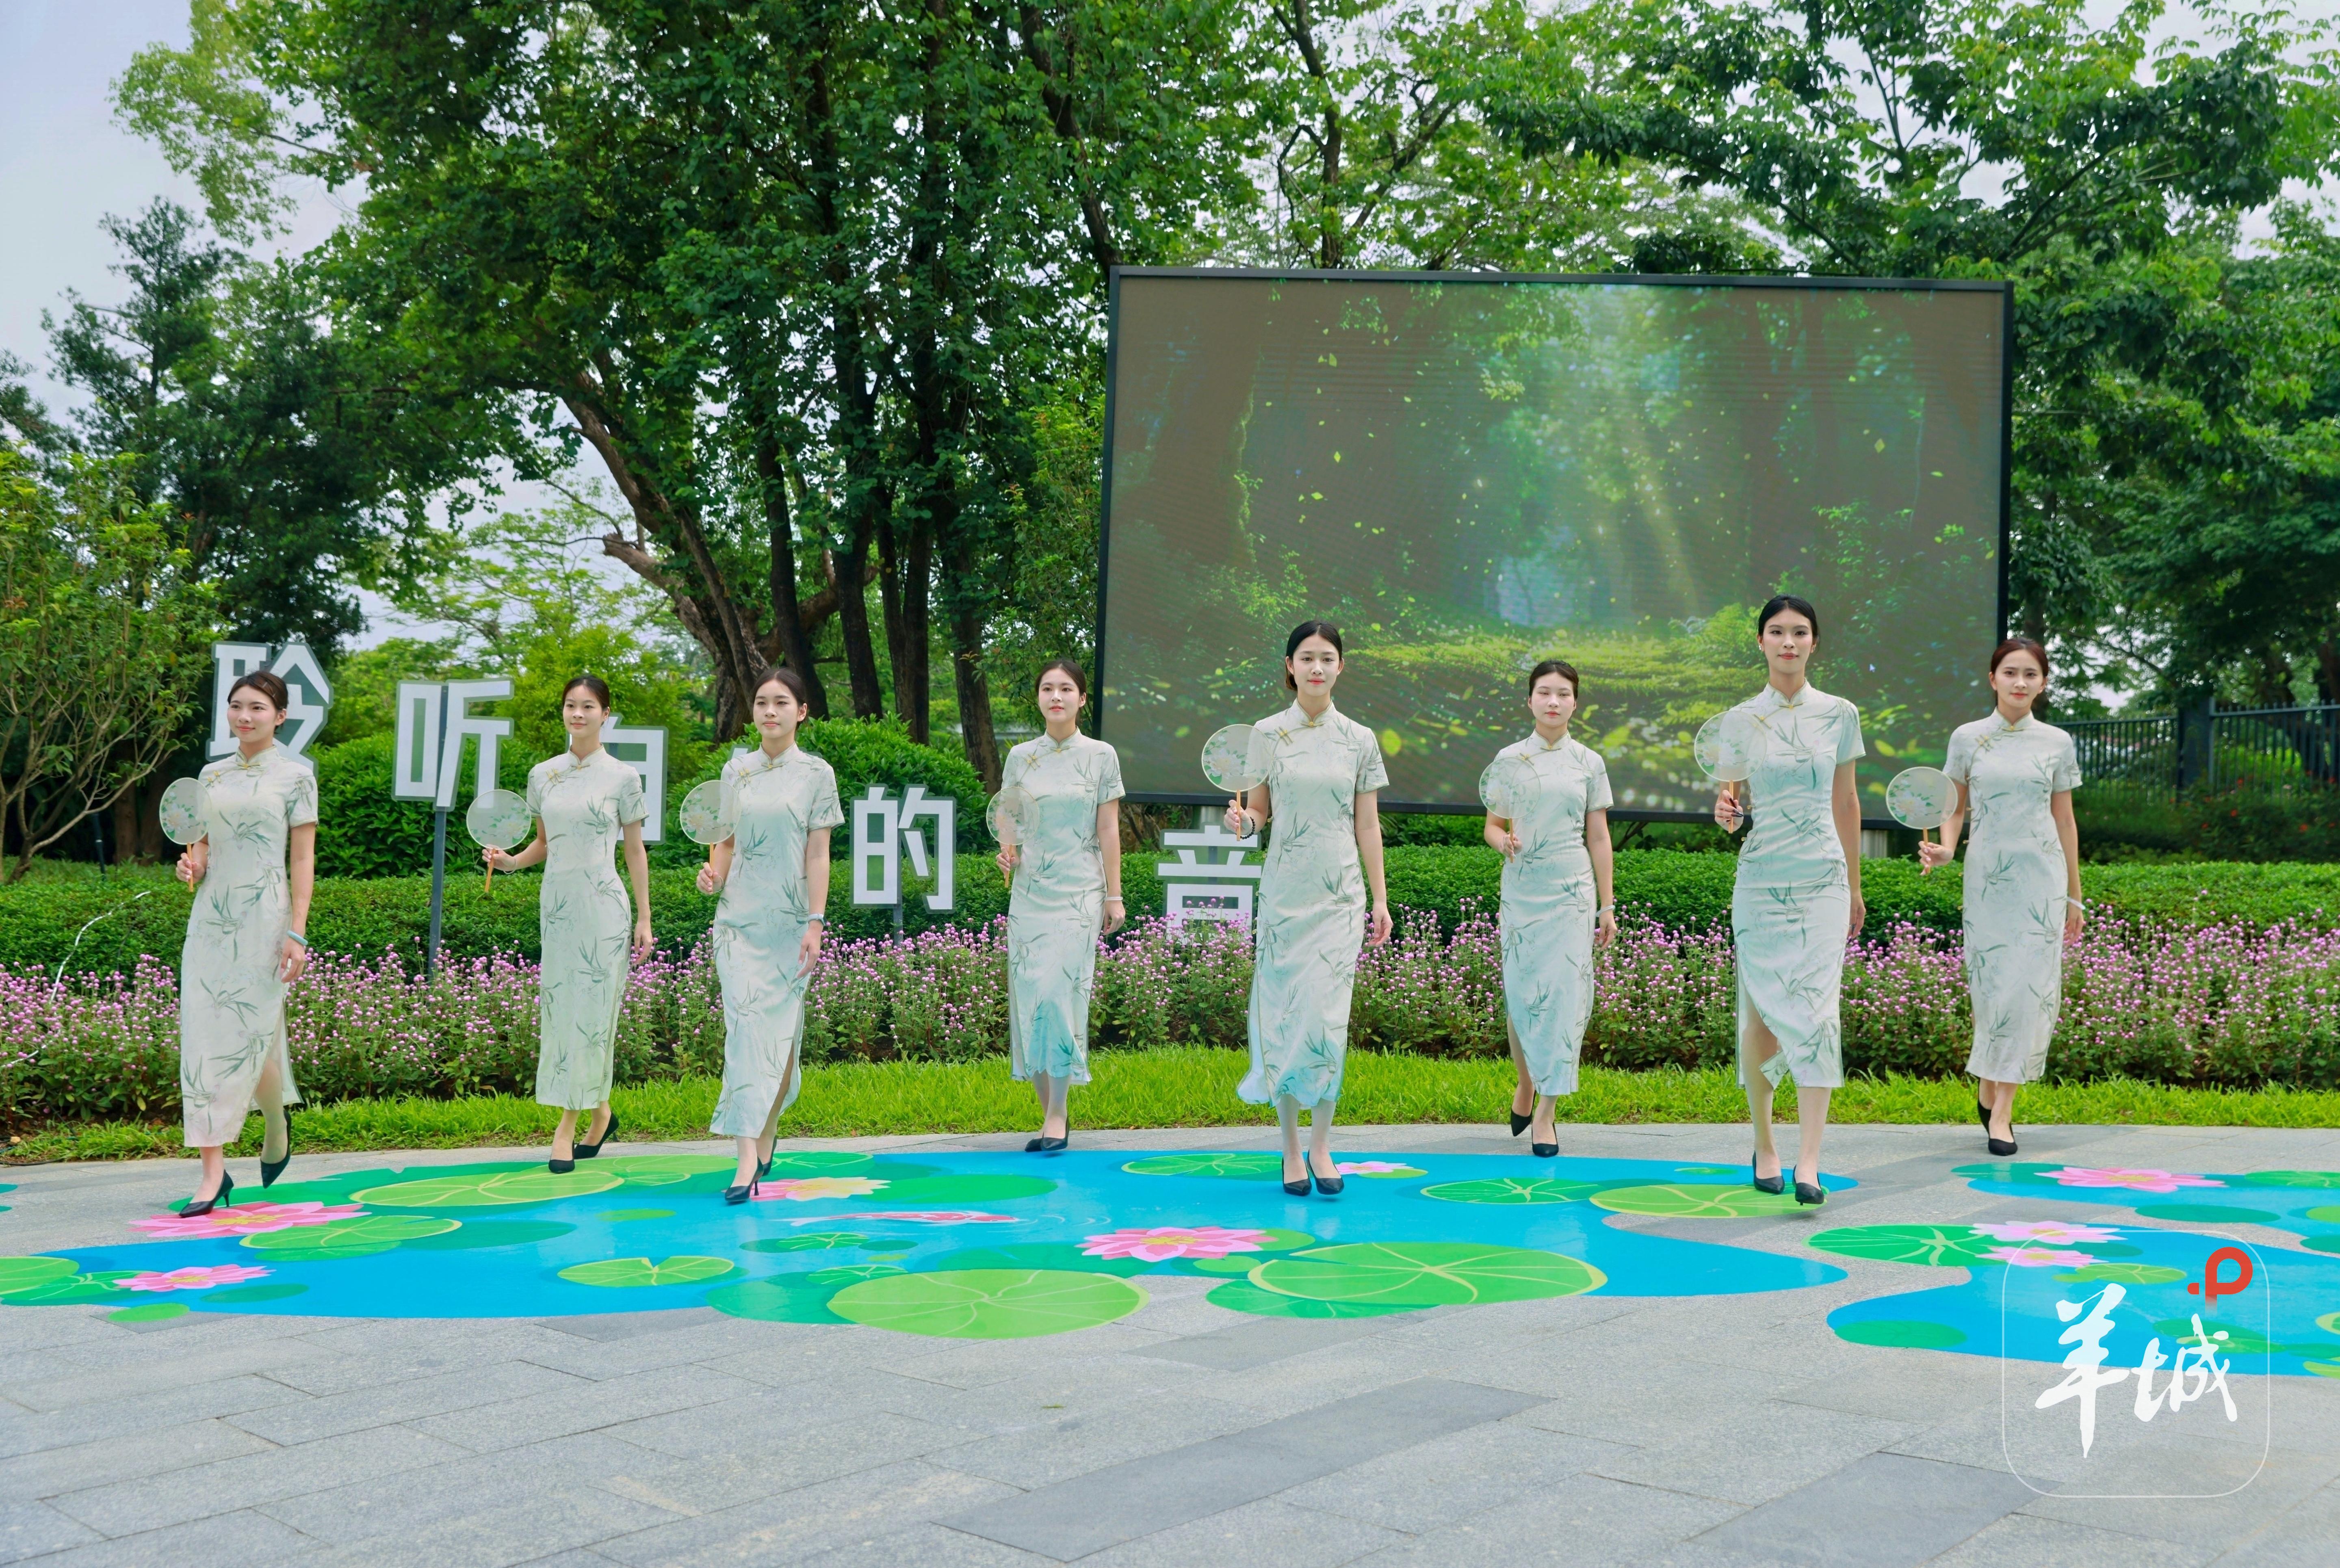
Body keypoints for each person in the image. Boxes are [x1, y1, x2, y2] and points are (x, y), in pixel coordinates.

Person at [1224, 621, 1393, 1196]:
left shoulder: (1360, 738)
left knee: (1326, 1020)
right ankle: (1291, 1147)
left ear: (1341, 666)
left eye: (1327, 658)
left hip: (1340, 897)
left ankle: (1322, 1145)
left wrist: (1379, 898)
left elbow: (1367, 824)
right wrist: (1243, 823)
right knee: (1287, 1017)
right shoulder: (1266, 734)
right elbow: (1260, 812)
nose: (1316, 668)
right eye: (1306, 658)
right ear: (1290, 666)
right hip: (1285, 896)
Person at [1713, 595, 1864, 1206]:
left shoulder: (1841, 713)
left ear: (1814, 642)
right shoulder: (1739, 720)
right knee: (1760, 1020)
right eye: (1777, 632)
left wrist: (1855, 885)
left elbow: (1847, 801)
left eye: (1800, 632)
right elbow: (1730, 805)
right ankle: (1764, 1143)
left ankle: (1810, 1162)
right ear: (1761, 642)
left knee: (1818, 1015)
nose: (1788, 642)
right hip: (1761, 878)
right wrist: (1726, 813)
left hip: (1823, 878)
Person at [1919, 637, 2083, 1157]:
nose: (2020, 681)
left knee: (2029, 992)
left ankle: (2003, 1112)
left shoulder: (2057, 742)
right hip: (1988, 880)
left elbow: (2065, 819)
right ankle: (1989, 1080)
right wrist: (1947, 849)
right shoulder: (1968, 737)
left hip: (2042, 882)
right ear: (1993, 678)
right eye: (2010, 672)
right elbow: (1954, 805)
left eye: (2031, 674)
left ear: (2043, 683)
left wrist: (2074, 895)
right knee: (1992, 991)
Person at [484, 676, 652, 1173]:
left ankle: (566, 1126)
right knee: (563, 1015)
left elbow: (635, 849)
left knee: (594, 1016)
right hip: (557, 907)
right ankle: (602, 1114)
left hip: (604, 908)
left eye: (589, 706)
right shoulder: (543, 775)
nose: (578, 713)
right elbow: (544, 843)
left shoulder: (624, 777)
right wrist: (510, 862)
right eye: (570, 705)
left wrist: (645, 916)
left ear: (606, 714)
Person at [173, 670, 316, 1215]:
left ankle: (276, 1121)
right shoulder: (210, 776)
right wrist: (192, 865)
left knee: (255, 1036)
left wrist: (296, 931)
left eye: (257, 707)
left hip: (266, 920)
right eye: (237, 706)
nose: (245, 716)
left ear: (280, 716)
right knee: (205, 1039)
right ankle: (213, 1173)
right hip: (211, 920)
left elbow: (302, 859)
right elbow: (202, 848)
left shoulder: (297, 777)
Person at [697, 669, 842, 1200]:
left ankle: (768, 1128)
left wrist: (815, 921)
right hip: (738, 922)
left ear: (801, 711)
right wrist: (713, 876)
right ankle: (744, 1160)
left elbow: (818, 853)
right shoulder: (736, 770)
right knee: (744, 1035)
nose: (770, 711)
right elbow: (726, 844)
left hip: (791, 926)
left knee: (780, 1040)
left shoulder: (817, 774)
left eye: (781, 702)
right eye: (761, 702)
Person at [1485, 661, 1617, 1157]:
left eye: (1563, 693)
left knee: (1564, 997)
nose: (1554, 701)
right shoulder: (1509, 759)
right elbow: (1492, 825)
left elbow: (1599, 836)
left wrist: (1607, 904)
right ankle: (1526, 1081)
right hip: (1522, 890)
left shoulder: (1589, 762)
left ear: (1575, 702)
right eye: (1544, 692)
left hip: (1571, 892)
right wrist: (1504, 842)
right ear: (1530, 700)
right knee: (1522, 995)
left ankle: (1547, 1112)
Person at [995, 660, 1127, 1153]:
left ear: (1082, 698)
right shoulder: (1020, 757)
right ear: (1038, 698)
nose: (1056, 696)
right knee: (1031, 998)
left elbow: (1108, 827)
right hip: (1030, 893)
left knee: (1057, 994)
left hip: (1079, 891)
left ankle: (1058, 1112)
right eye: (1048, 688)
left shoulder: (1101, 755)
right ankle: (1046, 1109)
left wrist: (1114, 893)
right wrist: (1007, 851)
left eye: (1066, 688)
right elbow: (1011, 818)